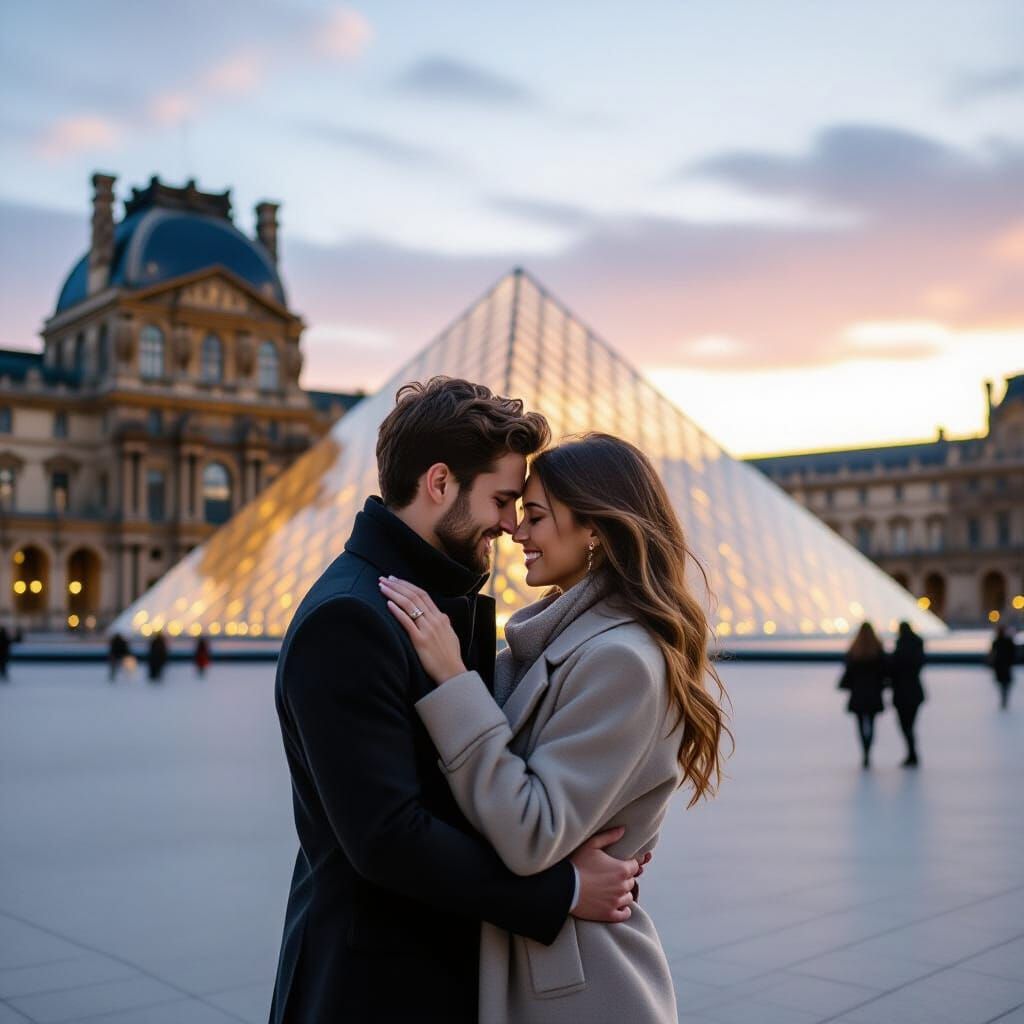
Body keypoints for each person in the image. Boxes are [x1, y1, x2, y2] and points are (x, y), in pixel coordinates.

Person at [270, 379, 643, 1024]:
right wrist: (563, 888)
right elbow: (387, 837)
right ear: (439, 482)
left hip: (426, 962)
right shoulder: (351, 618)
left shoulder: (421, 599)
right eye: (502, 499)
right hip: (373, 985)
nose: (509, 524)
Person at [382, 433, 730, 1024]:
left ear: (595, 529)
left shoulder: (617, 660)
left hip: (579, 990)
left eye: (536, 516)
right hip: (544, 965)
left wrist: (451, 679)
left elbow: (530, 832)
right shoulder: (564, 643)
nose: (517, 531)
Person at [839, 622, 886, 768]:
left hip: (858, 693)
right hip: (873, 692)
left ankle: (864, 751)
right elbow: (884, 670)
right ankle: (868, 750)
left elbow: (849, 671)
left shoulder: (854, 650)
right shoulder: (878, 649)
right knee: (871, 724)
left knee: (860, 725)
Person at [888, 621, 926, 767]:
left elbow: (892, 669)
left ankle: (912, 753)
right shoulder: (918, 646)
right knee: (910, 725)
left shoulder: (899, 648)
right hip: (915, 691)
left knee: (905, 725)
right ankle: (912, 753)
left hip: (901, 692)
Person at [988, 624, 1017, 710]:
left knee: (1003, 684)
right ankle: (1004, 697)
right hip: (1004, 666)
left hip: (1001, 666)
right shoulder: (1007, 641)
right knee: (1005, 684)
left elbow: (993, 653)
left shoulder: (997, 641)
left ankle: (1004, 698)